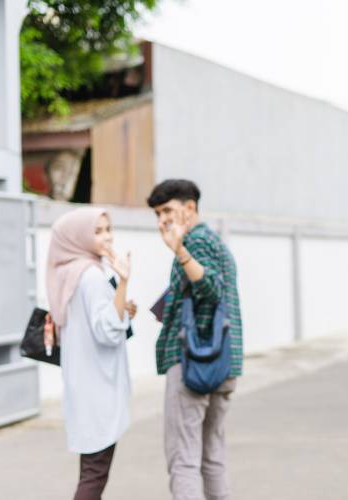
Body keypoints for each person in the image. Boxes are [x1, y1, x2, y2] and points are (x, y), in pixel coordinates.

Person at [147, 179, 243, 500]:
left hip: (194, 361)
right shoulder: (215, 243)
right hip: (223, 361)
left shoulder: (195, 242)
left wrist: (181, 253)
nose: (162, 220)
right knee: (211, 457)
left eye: (167, 211)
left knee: (183, 460)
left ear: (190, 208)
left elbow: (211, 288)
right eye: (158, 214)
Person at [46, 207, 137, 500]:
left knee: (91, 471)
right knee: (94, 475)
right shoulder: (92, 276)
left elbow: (94, 322)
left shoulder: (67, 273)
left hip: (81, 386)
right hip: (98, 389)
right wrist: (123, 281)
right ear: (78, 237)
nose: (107, 237)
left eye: (108, 229)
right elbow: (108, 332)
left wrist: (121, 306)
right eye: (97, 231)